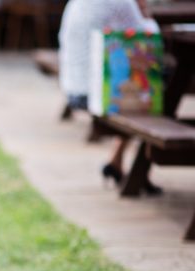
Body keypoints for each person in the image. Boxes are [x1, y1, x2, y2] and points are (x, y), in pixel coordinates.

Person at [58, 0, 162, 194]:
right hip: (93, 91)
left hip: (72, 84)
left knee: (141, 87)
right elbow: (147, 35)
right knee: (154, 91)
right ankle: (138, 173)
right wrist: (146, 15)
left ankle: (117, 161)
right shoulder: (121, 1)